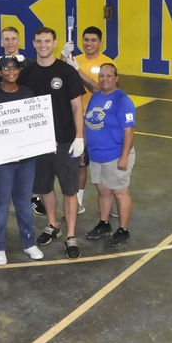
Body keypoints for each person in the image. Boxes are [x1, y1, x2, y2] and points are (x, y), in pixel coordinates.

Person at [18, 26, 86, 259]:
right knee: (44, 187)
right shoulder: (26, 74)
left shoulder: (67, 72)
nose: (43, 45)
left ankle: (71, 235)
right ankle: (53, 225)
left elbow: (77, 107)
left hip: (66, 142)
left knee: (69, 190)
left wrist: (79, 137)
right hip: (38, 144)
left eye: (47, 41)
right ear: (33, 44)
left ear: (55, 43)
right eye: (39, 41)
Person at [0, 56, 43, 263]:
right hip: (1, 163)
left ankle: (29, 243)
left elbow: (36, 122)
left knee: (24, 202)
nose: (11, 71)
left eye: (14, 68)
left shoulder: (28, 93)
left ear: (19, 71)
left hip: (26, 160)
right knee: (0, 204)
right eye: (6, 68)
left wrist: (44, 141)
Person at [83, 64, 137, 248]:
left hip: (115, 155)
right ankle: (104, 224)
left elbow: (129, 130)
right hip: (97, 155)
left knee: (120, 192)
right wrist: (84, 149)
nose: (104, 79)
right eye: (101, 76)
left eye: (108, 76)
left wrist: (124, 156)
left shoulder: (123, 100)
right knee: (103, 190)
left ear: (116, 78)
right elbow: (89, 123)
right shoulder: (96, 97)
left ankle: (123, 230)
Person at [62, 26, 113, 215]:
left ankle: (111, 200)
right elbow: (59, 75)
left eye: (93, 40)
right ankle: (79, 202)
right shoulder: (75, 58)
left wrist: (77, 70)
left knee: (107, 163)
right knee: (80, 162)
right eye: (86, 40)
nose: (89, 43)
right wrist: (63, 55)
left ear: (101, 43)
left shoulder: (107, 64)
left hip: (100, 123)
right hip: (78, 120)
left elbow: (99, 89)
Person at [0, 26, 31, 91]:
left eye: (13, 39)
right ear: (1, 43)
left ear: (19, 41)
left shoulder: (30, 65)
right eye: (7, 39)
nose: (10, 42)